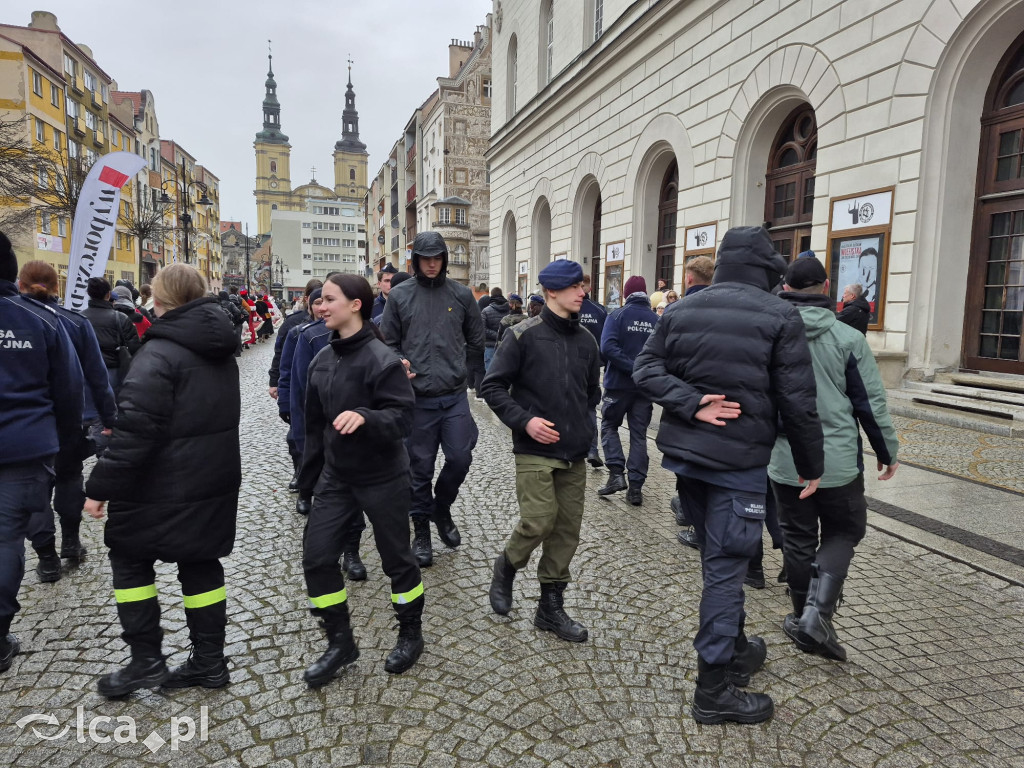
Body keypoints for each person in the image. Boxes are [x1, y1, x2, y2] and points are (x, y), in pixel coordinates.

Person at [633, 225, 824, 725]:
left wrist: (691, 404)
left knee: (719, 561)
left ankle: (736, 649)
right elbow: (799, 402)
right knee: (726, 568)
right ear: (766, 271)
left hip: (686, 462)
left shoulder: (681, 308)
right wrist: (812, 467)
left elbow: (645, 371)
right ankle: (713, 690)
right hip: (738, 466)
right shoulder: (780, 314)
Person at [84, 263, 241, 697]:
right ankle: (210, 662)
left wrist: (99, 487)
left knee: (130, 559)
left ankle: (145, 661)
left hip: (159, 484)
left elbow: (135, 430)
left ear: (160, 299)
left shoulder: (159, 353)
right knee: (201, 562)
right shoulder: (220, 347)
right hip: (211, 478)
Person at [770, 257, 899, 662]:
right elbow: (870, 403)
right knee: (844, 531)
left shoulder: (769, 334)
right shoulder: (848, 339)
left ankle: (802, 616)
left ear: (786, 286)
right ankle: (816, 615)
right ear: (826, 286)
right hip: (837, 460)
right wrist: (886, 450)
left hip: (786, 458)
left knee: (797, 537)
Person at [298, 274, 425, 684]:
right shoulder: (321, 359)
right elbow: (313, 428)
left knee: (396, 560)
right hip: (337, 479)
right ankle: (340, 643)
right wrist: (307, 482)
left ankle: (410, 633)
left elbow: (403, 418)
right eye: (320, 301)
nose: (321, 306)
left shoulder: (381, 359)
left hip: (383, 476)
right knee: (317, 558)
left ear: (356, 305)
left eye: (329, 299)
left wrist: (366, 416)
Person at [481, 259, 600, 642]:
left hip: (574, 451)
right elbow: (493, 387)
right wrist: (525, 421)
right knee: (538, 520)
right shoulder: (523, 335)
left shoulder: (587, 340)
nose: (582, 292)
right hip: (534, 448)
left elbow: (591, 394)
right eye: (574, 287)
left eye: (583, 286)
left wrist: (584, 427)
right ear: (552, 292)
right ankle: (508, 566)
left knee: (566, 531)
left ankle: (550, 608)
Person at [0, 234, 84, 674]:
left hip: (25, 445)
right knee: (6, 536)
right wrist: (68, 438)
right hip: (26, 444)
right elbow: (69, 387)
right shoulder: (42, 321)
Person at [380, 231, 485, 568]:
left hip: (453, 396)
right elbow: (388, 344)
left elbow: (476, 338)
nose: (431, 263)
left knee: (460, 457)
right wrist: (400, 364)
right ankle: (421, 529)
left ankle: (442, 507)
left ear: (444, 260)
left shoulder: (461, 295)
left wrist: (469, 374)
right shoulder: (399, 296)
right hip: (417, 398)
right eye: (425, 258)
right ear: (415, 260)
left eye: (436, 257)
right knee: (419, 469)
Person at [19, 261, 116, 582]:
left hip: (26, 425)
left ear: (20, 285)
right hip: (71, 419)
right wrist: (110, 418)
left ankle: (47, 559)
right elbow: (98, 377)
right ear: (57, 288)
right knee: (69, 478)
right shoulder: (74, 322)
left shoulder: (15, 320)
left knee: (35, 491)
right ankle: (71, 543)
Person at [597, 275, 657, 506]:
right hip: (644, 387)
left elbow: (607, 347)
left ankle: (615, 474)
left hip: (618, 385)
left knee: (609, 425)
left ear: (626, 293)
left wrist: (631, 367)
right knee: (639, 435)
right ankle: (635, 488)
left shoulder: (617, 315)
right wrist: (643, 371)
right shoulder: (656, 319)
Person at [670, 255, 715, 547]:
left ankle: (695, 523)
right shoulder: (728, 310)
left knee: (689, 469)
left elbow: (659, 365)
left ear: (688, 279)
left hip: (687, 403)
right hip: (722, 404)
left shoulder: (678, 312)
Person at [80, 277, 140, 397]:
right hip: (113, 372)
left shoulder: (79, 319)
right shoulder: (121, 318)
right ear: (108, 295)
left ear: (89, 294)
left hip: (85, 372)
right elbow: (135, 349)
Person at [579, 274, 608, 468]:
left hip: (579, 366)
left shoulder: (567, 307)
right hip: (592, 366)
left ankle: (589, 449)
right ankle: (592, 449)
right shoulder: (600, 311)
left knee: (585, 406)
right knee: (589, 407)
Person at [481, 287, 510, 370]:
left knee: (489, 374)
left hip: (490, 346)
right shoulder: (509, 309)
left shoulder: (486, 311)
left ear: (491, 295)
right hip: (506, 345)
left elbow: (483, 330)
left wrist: (497, 335)